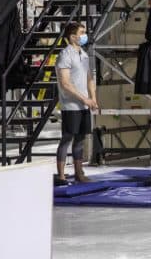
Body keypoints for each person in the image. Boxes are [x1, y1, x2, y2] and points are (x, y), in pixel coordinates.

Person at [55, 23, 98, 186]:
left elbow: (89, 78)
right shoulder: (65, 55)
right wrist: (83, 99)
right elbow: (65, 83)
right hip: (71, 105)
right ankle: (61, 176)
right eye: (82, 33)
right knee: (67, 138)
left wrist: (93, 98)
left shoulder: (84, 55)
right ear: (73, 37)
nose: (84, 35)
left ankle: (79, 173)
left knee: (80, 139)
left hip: (84, 105)